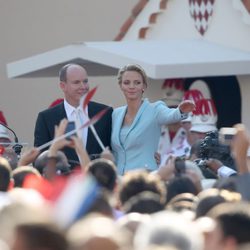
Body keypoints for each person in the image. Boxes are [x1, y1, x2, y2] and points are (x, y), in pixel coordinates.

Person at [111, 64, 195, 174]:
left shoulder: (155, 109)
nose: (132, 86)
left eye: (137, 82)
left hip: (145, 177)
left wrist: (181, 111)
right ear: (121, 86)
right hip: (119, 179)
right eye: (127, 82)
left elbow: (171, 115)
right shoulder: (116, 114)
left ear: (144, 86)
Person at [34, 64, 113, 168]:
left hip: (97, 180)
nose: (83, 87)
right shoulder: (46, 118)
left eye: (85, 81)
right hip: (62, 181)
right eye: (76, 82)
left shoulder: (104, 113)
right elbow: (40, 160)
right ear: (63, 86)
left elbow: (112, 150)